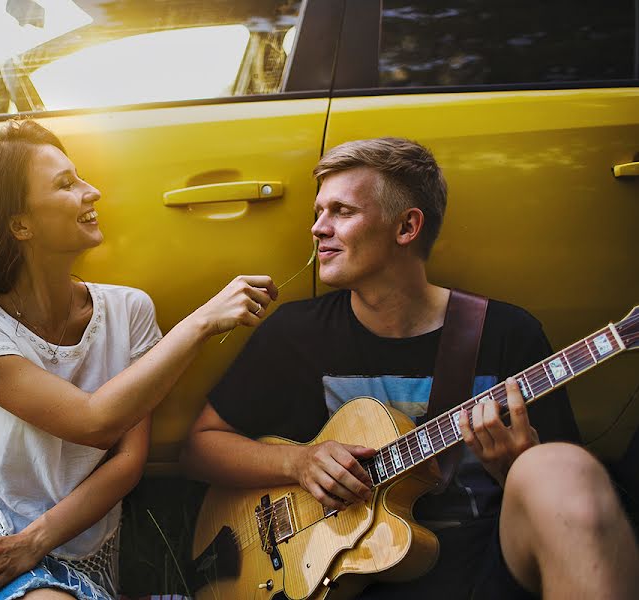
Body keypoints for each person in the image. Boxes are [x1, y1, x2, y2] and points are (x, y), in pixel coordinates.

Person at [181, 137, 639, 598]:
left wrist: (516, 468)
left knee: (559, 467)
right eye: (317, 213)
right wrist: (297, 461)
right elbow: (200, 448)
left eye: (341, 211)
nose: (319, 228)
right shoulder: (297, 333)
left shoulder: (506, 333)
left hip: (485, 565)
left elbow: (573, 508)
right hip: (344, 575)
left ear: (406, 227)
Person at [0, 119, 277, 600]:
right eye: (66, 185)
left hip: (83, 552)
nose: (93, 192)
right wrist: (201, 322)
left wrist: (37, 541)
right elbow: (93, 423)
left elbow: (128, 459)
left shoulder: (129, 311)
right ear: (20, 225)